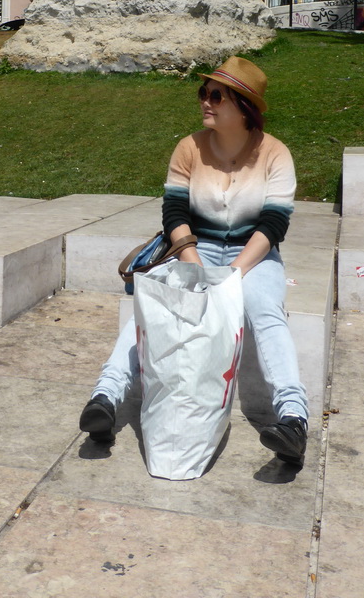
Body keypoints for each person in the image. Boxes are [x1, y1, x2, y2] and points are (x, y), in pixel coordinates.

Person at [79, 56, 310, 468]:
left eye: (216, 95)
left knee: (264, 310)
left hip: (255, 255)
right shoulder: (189, 147)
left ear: (243, 106)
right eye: (203, 93)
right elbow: (174, 214)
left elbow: (274, 224)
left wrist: (233, 275)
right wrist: (193, 262)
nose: (206, 101)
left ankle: (294, 418)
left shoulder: (276, 154)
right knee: (154, 308)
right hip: (192, 247)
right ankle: (105, 397)